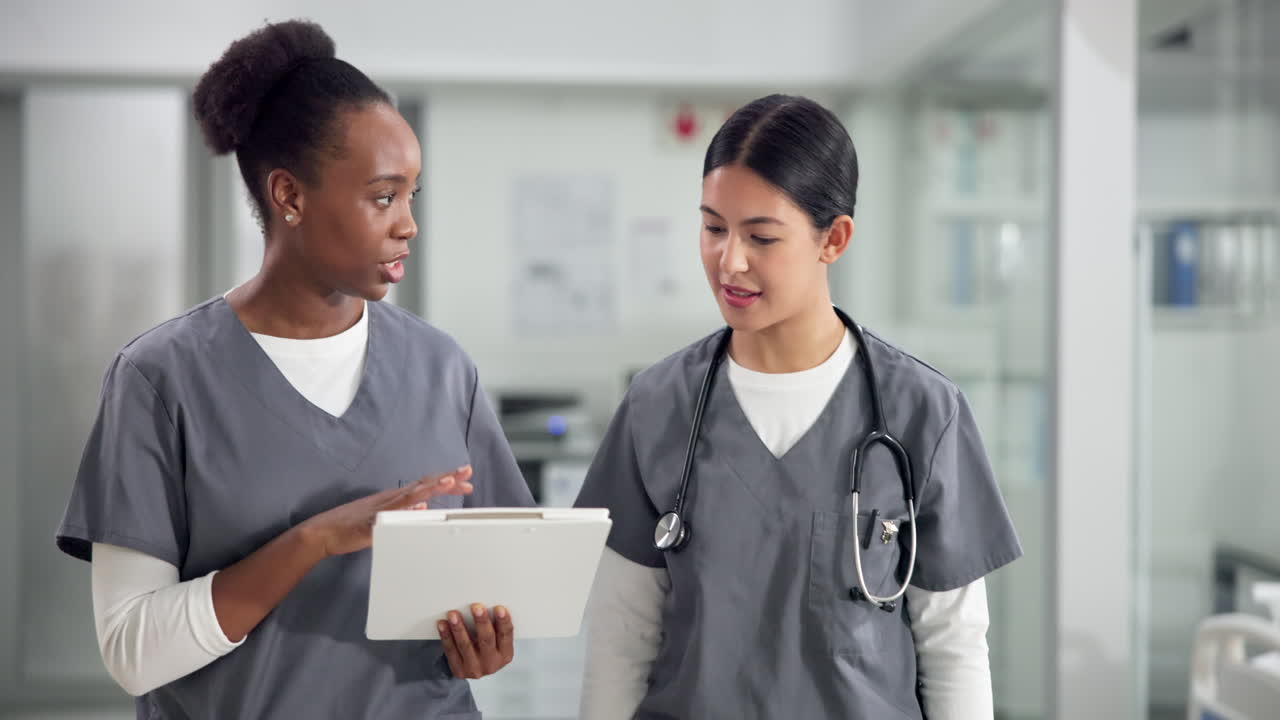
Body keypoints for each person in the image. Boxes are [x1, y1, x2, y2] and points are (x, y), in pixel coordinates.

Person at [54, 19, 533, 719]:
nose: (408, 225)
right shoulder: (161, 379)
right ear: (290, 196)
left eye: (411, 196)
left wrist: (484, 640)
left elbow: (502, 577)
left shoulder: (440, 367)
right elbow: (132, 651)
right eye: (382, 196)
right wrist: (313, 541)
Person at [575, 94, 1022, 719]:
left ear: (833, 238)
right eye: (713, 228)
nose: (729, 260)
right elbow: (619, 646)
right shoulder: (656, 407)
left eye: (760, 236)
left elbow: (954, 650)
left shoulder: (921, 412)